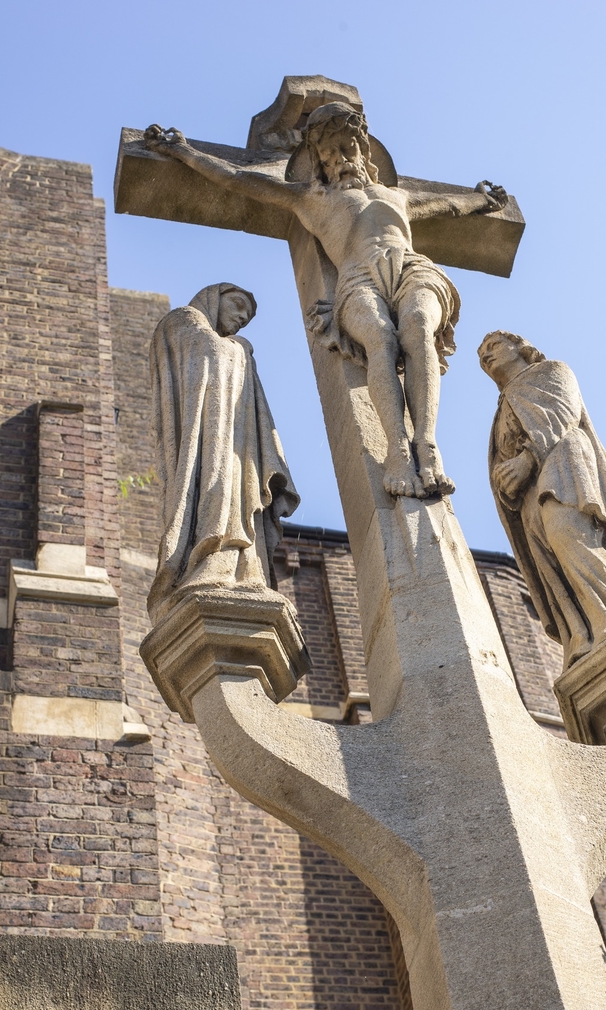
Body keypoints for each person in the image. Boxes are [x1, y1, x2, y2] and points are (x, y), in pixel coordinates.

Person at [144, 105, 508, 501]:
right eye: (330, 155)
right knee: (381, 340)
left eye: (348, 149)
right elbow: (238, 179)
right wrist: (185, 153)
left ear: (363, 153)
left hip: (411, 268)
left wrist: (482, 200)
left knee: (418, 326)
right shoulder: (309, 198)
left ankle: (427, 444)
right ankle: (398, 449)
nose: (341, 160)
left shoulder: (396, 195)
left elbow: (449, 205)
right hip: (356, 278)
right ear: (318, 161)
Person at [479, 330, 606, 669]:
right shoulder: (499, 412)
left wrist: (526, 460)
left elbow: (563, 414)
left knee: (570, 535)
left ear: (521, 347)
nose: (485, 356)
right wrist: (505, 480)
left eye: (493, 346)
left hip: (563, 463)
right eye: (481, 355)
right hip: (530, 499)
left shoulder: (551, 372)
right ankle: (585, 634)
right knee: (556, 564)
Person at [147, 282, 299, 622]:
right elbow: (208, 353)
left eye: (246, 319)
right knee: (215, 495)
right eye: (238, 305)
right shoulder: (182, 320)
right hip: (204, 443)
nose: (242, 317)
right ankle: (206, 565)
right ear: (214, 298)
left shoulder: (233, 344)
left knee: (242, 501)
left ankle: (245, 571)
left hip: (235, 439)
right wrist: (239, 349)